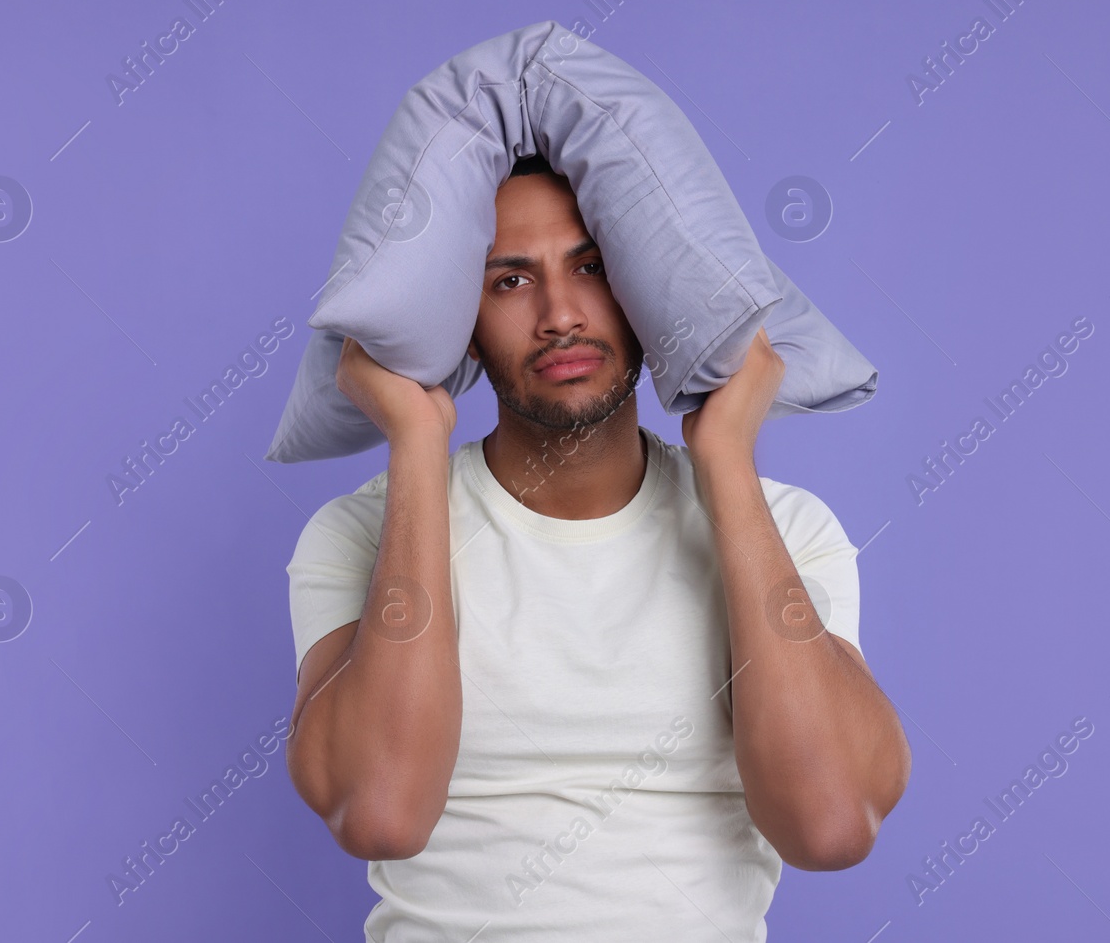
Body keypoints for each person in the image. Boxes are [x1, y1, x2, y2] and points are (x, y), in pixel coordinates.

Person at [283, 153, 910, 940]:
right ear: (460, 326)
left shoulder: (793, 529)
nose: (560, 314)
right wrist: (414, 442)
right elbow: (380, 811)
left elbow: (831, 823)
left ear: (649, 294)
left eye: (594, 268)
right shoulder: (360, 533)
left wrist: (726, 463)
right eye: (509, 280)